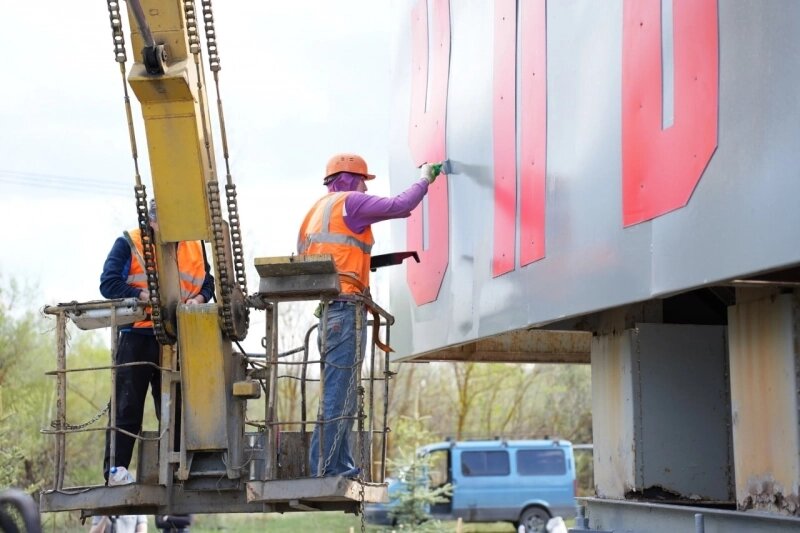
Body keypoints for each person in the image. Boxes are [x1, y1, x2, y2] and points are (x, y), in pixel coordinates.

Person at [297, 153, 439, 477]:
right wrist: (425, 178)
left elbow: (325, 259)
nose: (364, 187)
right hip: (345, 311)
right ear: (351, 179)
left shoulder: (315, 212)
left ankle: (336, 464)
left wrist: (361, 267)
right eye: (363, 180)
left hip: (329, 313)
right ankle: (329, 467)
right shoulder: (352, 203)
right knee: (340, 394)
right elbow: (401, 206)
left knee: (340, 391)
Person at [99, 198, 214, 482]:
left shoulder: (195, 246)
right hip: (137, 335)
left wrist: (198, 298)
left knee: (174, 406)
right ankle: (116, 470)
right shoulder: (130, 242)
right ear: (150, 220)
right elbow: (108, 282)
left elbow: (207, 282)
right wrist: (141, 295)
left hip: (175, 338)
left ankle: (175, 467)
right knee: (128, 404)